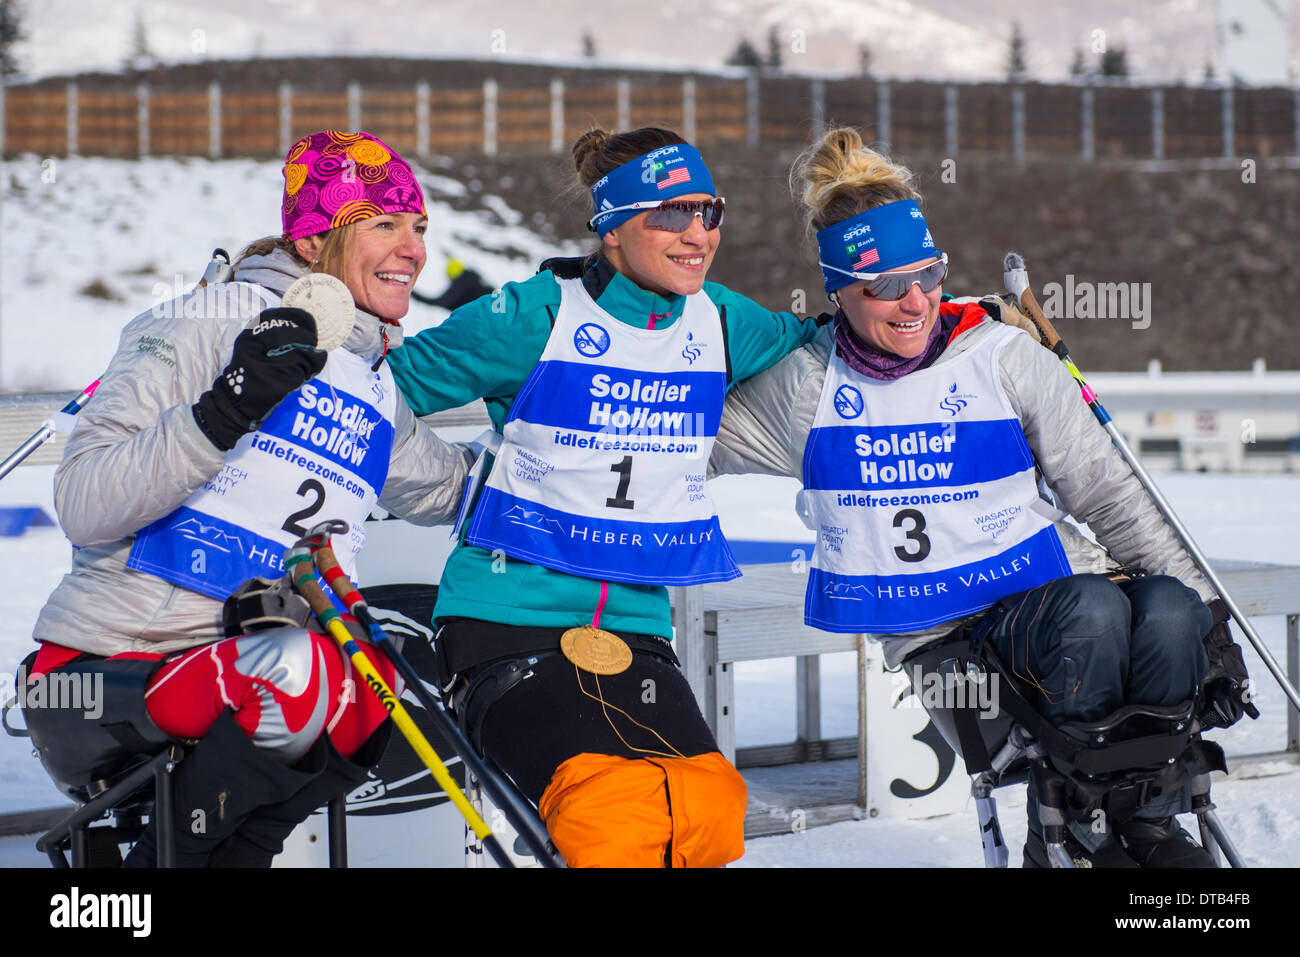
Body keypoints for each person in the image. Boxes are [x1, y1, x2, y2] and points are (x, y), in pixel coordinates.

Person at [710, 127, 1253, 868]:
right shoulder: (805, 389)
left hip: (1051, 597)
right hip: (952, 644)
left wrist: (1210, 619)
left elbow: (1108, 491)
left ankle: (1149, 823)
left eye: (928, 275)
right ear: (838, 290)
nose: (915, 302)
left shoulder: (1000, 355)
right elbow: (673, 432)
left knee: (1167, 607)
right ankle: (1073, 830)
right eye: (886, 286)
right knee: (1093, 610)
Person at [23, 130, 471, 867]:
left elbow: (458, 487)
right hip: (104, 672)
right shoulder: (205, 321)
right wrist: (221, 411)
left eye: (419, 227)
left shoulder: (369, 381)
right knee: (297, 665)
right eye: (385, 223)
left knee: (370, 685)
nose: (414, 249)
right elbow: (81, 499)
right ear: (318, 235)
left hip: (251, 673)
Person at [387, 127, 823, 867]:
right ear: (612, 228)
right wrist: (458, 485)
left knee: (710, 809)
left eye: (709, 212)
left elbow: (826, 335)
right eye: (671, 213)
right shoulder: (532, 317)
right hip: (505, 624)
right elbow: (376, 389)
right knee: (611, 817)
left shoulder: (718, 319)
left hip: (635, 632)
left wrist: (963, 320)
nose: (697, 234)